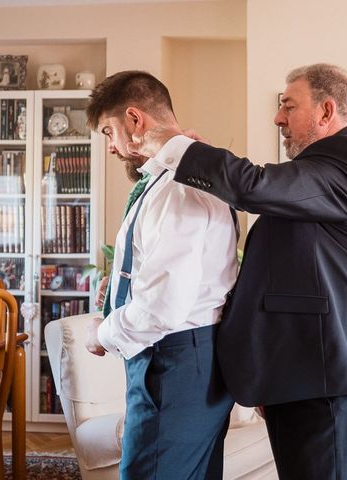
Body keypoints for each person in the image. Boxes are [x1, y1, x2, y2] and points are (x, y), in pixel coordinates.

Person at [127, 63, 347, 480]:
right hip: (305, 373)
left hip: (334, 374)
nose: (278, 118)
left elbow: (253, 186)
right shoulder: (316, 176)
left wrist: (174, 144)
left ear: (326, 112)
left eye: (288, 106)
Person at [83, 71, 238, 480]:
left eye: (108, 132)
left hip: (175, 362)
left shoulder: (178, 185)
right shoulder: (179, 176)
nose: (112, 148)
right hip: (191, 357)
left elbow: (165, 307)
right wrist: (120, 283)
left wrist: (102, 333)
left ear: (135, 120)